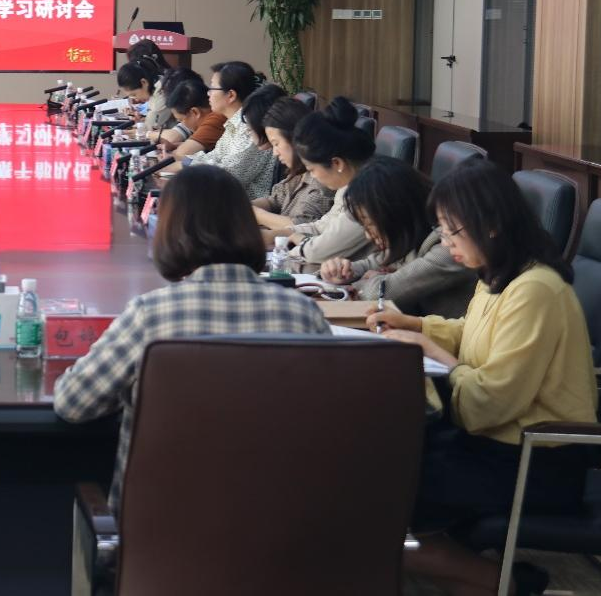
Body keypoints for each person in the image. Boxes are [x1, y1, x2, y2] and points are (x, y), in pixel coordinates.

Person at [368, 161, 598, 596]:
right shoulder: (501, 275)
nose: (447, 243)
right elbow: (473, 334)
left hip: (537, 461)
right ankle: (481, 577)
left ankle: (503, 583)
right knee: (382, 467)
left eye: (453, 232)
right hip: (500, 446)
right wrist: (416, 326)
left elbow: (490, 402)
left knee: (378, 499)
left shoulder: (535, 290)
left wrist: (431, 350)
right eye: (442, 231)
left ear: (491, 225)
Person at [53, 164, 331, 511]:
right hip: (280, 526)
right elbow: (328, 420)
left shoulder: (151, 315)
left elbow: (73, 402)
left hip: (160, 531)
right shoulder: (303, 315)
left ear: (171, 231)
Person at [320, 157, 475, 318]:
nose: (368, 235)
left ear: (395, 213)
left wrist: (374, 279)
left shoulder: (448, 247)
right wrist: (341, 270)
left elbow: (377, 295)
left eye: (370, 224)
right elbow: (373, 263)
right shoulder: (411, 238)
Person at [285, 96, 377, 270]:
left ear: (337, 163)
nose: (313, 177)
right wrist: (284, 234)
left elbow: (320, 252)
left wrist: (297, 243)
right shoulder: (349, 184)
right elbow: (325, 226)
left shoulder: (370, 193)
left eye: (311, 169)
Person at [178, 61, 275, 199]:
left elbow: (228, 177)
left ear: (231, 95)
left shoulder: (249, 126)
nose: (208, 93)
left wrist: (185, 164)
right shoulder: (233, 123)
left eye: (212, 88)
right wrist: (185, 162)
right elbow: (215, 156)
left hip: (245, 206)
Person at [251, 97, 333, 243]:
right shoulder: (298, 172)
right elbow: (274, 201)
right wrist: (243, 207)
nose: (275, 153)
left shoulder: (322, 178)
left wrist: (257, 215)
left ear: (295, 139)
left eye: (276, 144)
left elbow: (304, 226)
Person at [159, 76, 225, 160]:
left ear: (195, 112)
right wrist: (175, 146)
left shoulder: (216, 119)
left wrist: (172, 154)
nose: (182, 124)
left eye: (181, 120)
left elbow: (182, 153)